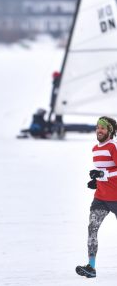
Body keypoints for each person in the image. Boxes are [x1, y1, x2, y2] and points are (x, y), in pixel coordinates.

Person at [76, 116, 117, 278]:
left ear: (110, 131)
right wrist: (96, 180)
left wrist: (102, 174)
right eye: (97, 127)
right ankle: (91, 267)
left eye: (102, 128)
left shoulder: (113, 147)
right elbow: (105, 172)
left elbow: (111, 171)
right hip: (100, 198)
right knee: (92, 228)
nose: (99, 130)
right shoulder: (95, 148)